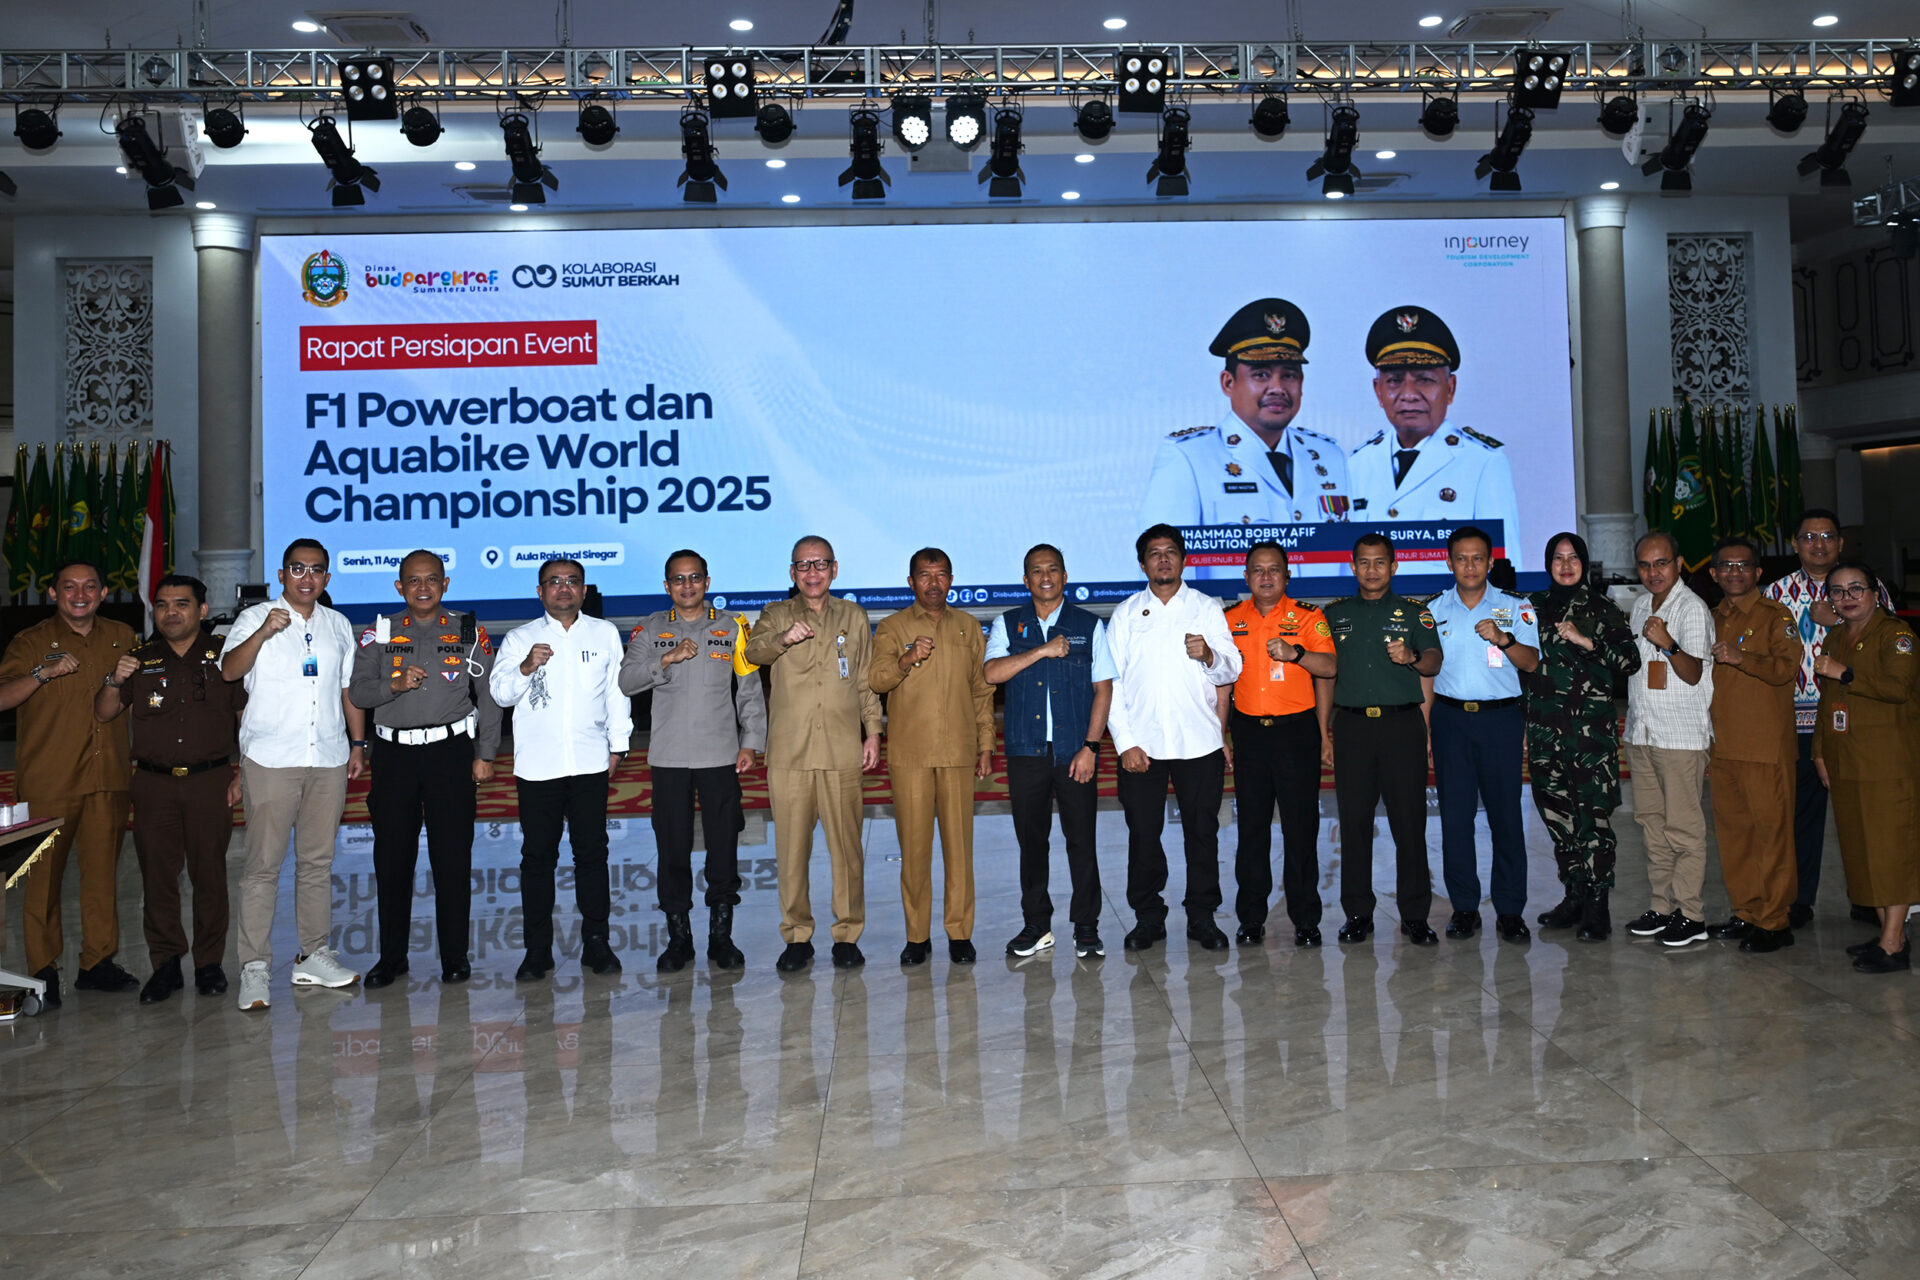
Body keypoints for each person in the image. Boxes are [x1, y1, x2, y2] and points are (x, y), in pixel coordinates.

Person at [221, 539, 367, 1010]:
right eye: (298, 569)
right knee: (262, 868)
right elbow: (229, 672)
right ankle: (254, 966)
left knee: (317, 863)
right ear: (282, 575)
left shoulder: (338, 624)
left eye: (316, 570)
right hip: (271, 758)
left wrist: (358, 744)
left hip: (327, 756)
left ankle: (313, 955)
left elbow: (348, 690)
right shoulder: (254, 618)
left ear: (327, 578)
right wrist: (265, 631)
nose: (307, 578)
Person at [349, 549, 502, 989]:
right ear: (400, 586)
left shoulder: (468, 630)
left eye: (431, 579)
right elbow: (358, 693)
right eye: (413, 580)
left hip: (449, 755)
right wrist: (393, 685)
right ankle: (392, 958)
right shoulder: (379, 632)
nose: (422, 588)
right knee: (392, 860)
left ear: (445, 584)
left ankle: (455, 956)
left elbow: (489, 696)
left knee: (452, 859)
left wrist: (486, 753)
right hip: (393, 757)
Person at [93, 574, 245, 1003]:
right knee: (158, 877)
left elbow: (245, 719)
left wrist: (243, 772)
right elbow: (104, 713)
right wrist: (113, 679)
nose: (170, 612)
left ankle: (209, 963)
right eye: (162, 605)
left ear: (201, 610)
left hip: (210, 781)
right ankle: (166, 964)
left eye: (181, 604)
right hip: (153, 783)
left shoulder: (226, 656)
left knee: (209, 875)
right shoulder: (139, 659)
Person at [619, 549, 766, 973]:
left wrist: (751, 742)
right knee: (672, 849)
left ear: (707, 581)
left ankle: (721, 938)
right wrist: (665, 659)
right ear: (667, 586)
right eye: (679, 579)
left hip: (720, 754)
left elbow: (749, 688)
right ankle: (678, 939)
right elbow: (626, 681)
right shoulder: (650, 628)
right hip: (669, 757)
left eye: (695, 577)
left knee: (723, 846)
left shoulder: (732, 627)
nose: (688, 586)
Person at [0, 559, 139, 1005]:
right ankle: (43, 969)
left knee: (102, 876)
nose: (80, 595)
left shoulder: (123, 636)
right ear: (54, 593)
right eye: (70, 587)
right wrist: (42, 673)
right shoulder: (30, 642)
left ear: (102, 593)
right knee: (42, 881)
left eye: (90, 586)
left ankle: (97, 963)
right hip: (50, 779)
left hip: (107, 774)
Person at [489, 559, 633, 981]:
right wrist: (525, 667)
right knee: (537, 860)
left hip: (590, 763)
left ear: (584, 590)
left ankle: (597, 943)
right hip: (538, 768)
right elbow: (499, 694)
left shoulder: (604, 634)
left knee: (592, 856)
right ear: (540, 591)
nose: (563, 588)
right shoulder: (520, 638)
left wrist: (619, 745)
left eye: (572, 581)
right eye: (554, 582)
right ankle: (537, 951)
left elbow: (617, 694)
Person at [744, 536, 883, 972]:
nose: (812, 573)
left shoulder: (853, 616)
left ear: (834, 569)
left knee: (848, 851)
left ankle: (847, 934)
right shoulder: (776, 614)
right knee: (791, 852)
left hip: (842, 750)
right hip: (790, 753)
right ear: (792, 573)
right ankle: (797, 936)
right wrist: (783, 639)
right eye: (803, 565)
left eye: (820, 564)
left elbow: (864, 680)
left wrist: (873, 732)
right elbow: (752, 652)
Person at [1105, 524, 1241, 952]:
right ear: (1142, 563)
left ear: (1184, 559)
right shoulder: (1126, 614)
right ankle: (1148, 917)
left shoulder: (1206, 607)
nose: (1163, 559)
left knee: (1203, 834)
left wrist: (1210, 655)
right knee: (1143, 835)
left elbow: (1231, 669)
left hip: (1198, 741)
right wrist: (1125, 743)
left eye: (1170, 552)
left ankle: (1202, 916)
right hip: (1141, 746)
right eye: (1154, 553)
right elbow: (1111, 683)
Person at [1139, 298, 1351, 560]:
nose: (1278, 388)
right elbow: (1164, 569)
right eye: (1261, 375)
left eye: (1289, 375)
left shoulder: (1330, 457)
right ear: (1228, 383)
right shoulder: (1189, 458)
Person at [1763, 508, 1895, 928]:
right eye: (1809, 537)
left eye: (1827, 537)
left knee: (1863, 814)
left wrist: (1837, 617)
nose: (1818, 545)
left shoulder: (1869, 586)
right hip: (1800, 723)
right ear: (1795, 544)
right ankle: (1800, 900)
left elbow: (1890, 640)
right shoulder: (1777, 593)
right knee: (1802, 814)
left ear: (1840, 543)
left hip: (1860, 720)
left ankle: (1870, 898)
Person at [984, 543, 1115, 959]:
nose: (1046, 577)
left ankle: (1087, 926)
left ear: (1065, 576)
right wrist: (1041, 650)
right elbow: (991, 673)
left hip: (1075, 752)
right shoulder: (1009, 624)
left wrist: (1090, 747)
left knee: (1082, 841)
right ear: (1026, 580)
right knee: (1031, 842)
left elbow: (1103, 690)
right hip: (1026, 751)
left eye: (1053, 569)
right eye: (1037, 571)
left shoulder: (1088, 625)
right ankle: (1037, 924)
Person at [870, 548, 995, 966]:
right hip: (911, 755)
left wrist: (986, 744)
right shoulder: (893, 627)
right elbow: (877, 679)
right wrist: (907, 658)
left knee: (959, 849)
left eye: (941, 575)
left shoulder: (968, 627)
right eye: (925, 575)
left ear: (952, 580)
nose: (933, 583)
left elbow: (981, 691)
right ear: (911, 582)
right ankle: (916, 936)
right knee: (915, 850)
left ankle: (959, 933)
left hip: (958, 751)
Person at [1322, 533, 1442, 946]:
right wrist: (1324, 732)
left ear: (1394, 566)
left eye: (1379, 562)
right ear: (1352, 566)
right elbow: (1326, 674)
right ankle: (1357, 913)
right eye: (1364, 562)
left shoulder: (1415, 613)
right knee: (1354, 823)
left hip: (1401, 727)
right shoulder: (1334, 614)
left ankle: (1415, 915)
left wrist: (1412, 657)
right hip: (1352, 728)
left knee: (1409, 823)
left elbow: (1434, 660)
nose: (1371, 570)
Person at [1522, 532, 1639, 942]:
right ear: (1548, 563)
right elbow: (1520, 667)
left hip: (1590, 739)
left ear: (1584, 563)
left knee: (1593, 821)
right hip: (1544, 734)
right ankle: (1573, 895)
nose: (1566, 565)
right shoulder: (1531, 607)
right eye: (1558, 558)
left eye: (1574, 557)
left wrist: (1587, 642)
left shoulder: (1602, 608)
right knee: (1557, 819)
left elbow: (1630, 661)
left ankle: (1597, 904)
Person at [1426, 525, 1540, 943]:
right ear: (1449, 562)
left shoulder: (1516, 606)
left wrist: (1504, 639)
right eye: (1461, 558)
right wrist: (1426, 730)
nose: (1470, 566)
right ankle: (1464, 907)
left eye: (1478, 558)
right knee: (1456, 820)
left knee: (1506, 818)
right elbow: (1426, 675)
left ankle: (1510, 910)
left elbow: (1531, 663)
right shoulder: (1433, 610)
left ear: (1491, 562)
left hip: (1500, 721)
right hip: (1450, 721)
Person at [1347, 306, 1525, 569]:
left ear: (1450, 388)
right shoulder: (1356, 465)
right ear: (1378, 390)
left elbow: (1505, 569)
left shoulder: (1483, 463)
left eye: (1425, 380)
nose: (1409, 394)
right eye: (1394, 380)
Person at [1221, 542, 1337, 946]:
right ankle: (1251, 918)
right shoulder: (1230, 619)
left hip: (1296, 733)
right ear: (1246, 577)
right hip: (1250, 733)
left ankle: (1305, 918)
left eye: (1274, 570)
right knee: (1251, 828)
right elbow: (1221, 682)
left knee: (1300, 828)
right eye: (1258, 570)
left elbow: (1329, 667)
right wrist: (1221, 733)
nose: (1266, 576)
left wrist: (1296, 653)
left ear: (1287, 576)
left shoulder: (1308, 616)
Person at [1812, 562, 1920, 974]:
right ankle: (1889, 934)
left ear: (1875, 593)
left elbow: (1897, 688)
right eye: (1838, 592)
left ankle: (1893, 943)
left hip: (1888, 762)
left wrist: (1847, 673)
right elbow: (1827, 702)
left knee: (1890, 852)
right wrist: (1820, 751)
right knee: (1861, 851)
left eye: (1856, 588)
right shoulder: (1836, 636)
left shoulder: (1897, 636)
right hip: (1846, 759)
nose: (1848, 598)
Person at [1704, 536, 1803, 953]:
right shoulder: (1710, 616)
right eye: (1726, 566)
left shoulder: (1774, 616)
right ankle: (1746, 911)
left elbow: (1787, 668)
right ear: (1714, 573)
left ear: (1758, 572)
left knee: (1771, 837)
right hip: (1723, 748)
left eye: (1743, 565)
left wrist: (1742, 658)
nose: (1735, 572)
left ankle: (1775, 921)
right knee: (1735, 837)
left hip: (1765, 748)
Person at [1620, 531, 1716, 949]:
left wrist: (1669, 644)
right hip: (1642, 731)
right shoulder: (1642, 604)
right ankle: (1662, 907)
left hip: (1679, 737)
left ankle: (1692, 915)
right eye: (1644, 564)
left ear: (1678, 564)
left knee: (1684, 829)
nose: (1652, 572)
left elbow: (1694, 674)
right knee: (1652, 826)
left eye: (1661, 563)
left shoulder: (1692, 609)